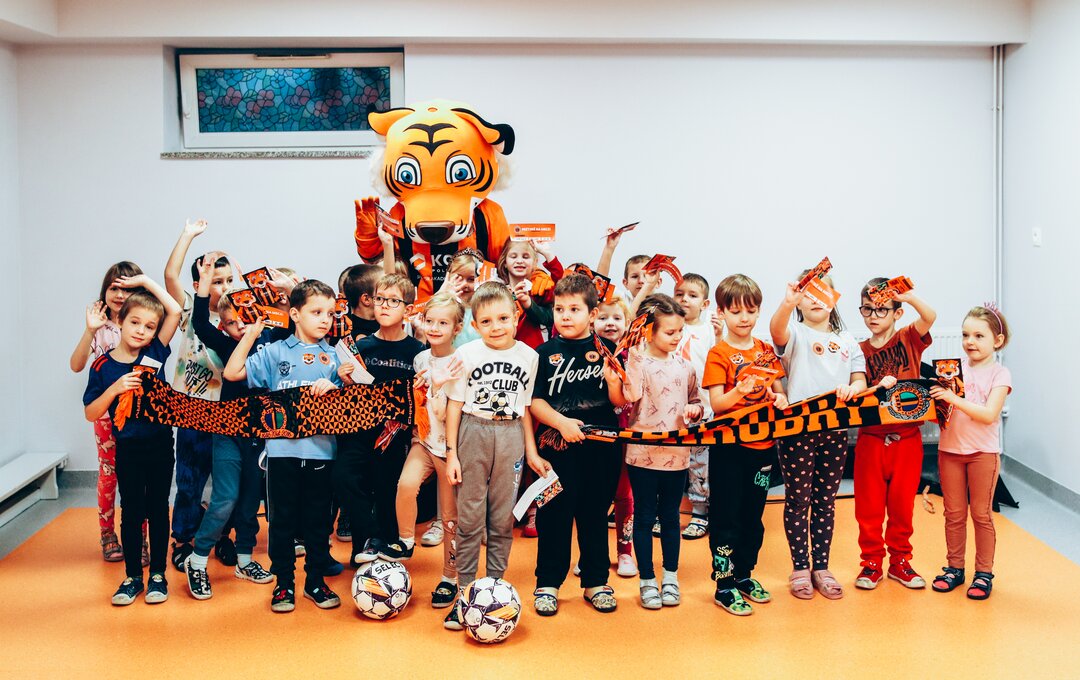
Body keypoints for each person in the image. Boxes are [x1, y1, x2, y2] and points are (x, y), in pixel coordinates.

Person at [223, 280, 343, 613]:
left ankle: (315, 582)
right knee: (282, 522)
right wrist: (252, 333)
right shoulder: (275, 352)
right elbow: (232, 372)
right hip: (281, 453)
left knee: (318, 523)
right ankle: (284, 584)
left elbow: (352, 401)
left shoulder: (336, 357)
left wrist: (336, 387)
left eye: (330, 313)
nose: (325, 319)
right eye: (316, 312)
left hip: (322, 453)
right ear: (295, 314)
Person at [183, 252, 284, 600]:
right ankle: (197, 559)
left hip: (260, 436)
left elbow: (292, 317)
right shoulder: (228, 345)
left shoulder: (270, 343)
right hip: (227, 432)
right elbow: (199, 323)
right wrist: (204, 282)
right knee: (225, 498)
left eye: (244, 319)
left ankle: (244, 560)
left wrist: (280, 289)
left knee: (249, 501)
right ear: (224, 327)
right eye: (231, 323)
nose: (239, 326)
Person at [443, 282, 541, 630]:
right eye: (486, 321)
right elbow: (454, 405)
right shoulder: (466, 353)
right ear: (475, 324)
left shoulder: (529, 356)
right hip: (474, 431)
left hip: (511, 433)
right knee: (470, 519)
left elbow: (525, 409)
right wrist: (452, 455)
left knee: (501, 519)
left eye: (502, 318)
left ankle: (494, 591)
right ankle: (465, 594)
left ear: (516, 316)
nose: (496, 327)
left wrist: (531, 450)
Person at [530, 274, 626, 616]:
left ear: (592, 313)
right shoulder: (544, 353)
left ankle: (596, 581)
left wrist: (614, 384)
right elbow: (535, 401)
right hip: (555, 449)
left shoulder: (609, 350)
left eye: (574, 309)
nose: (565, 316)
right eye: (559, 309)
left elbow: (619, 402)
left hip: (602, 449)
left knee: (594, 514)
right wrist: (561, 423)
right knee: (552, 515)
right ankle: (547, 584)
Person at [83, 276, 182, 605]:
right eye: (135, 322)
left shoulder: (155, 352)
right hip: (127, 447)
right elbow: (91, 412)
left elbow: (174, 310)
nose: (141, 331)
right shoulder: (103, 366)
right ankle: (132, 578)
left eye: (149, 326)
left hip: (160, 444)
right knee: (132, 510)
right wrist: (114, 389)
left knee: (158, 509)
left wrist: (143, 282)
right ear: (120, 322)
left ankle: (158, 575)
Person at [769, 271, 866, 600]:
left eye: (822, 293)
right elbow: (777, 330)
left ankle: (821, 567)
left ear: (834, 299)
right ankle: (800, 567)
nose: (815, 299)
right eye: (808, 294)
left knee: (825, 502)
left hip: (835, 432)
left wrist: (853, 389)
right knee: (798, 501)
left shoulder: (848, 340)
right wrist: (788, 303)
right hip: (797, 432)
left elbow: (860, 381)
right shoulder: (795, 332)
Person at [702, 274, 788, 616]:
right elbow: (718, 404)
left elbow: (780, 393)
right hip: (729, 450)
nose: (744, 318)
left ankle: (743, 575)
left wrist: (778, 398)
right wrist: (740, 389)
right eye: (736, 311)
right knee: (726, 516)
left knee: (753, 517)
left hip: (763, 449)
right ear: (722, 312)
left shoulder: (765, 350)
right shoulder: (719, 353)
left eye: (751, 311)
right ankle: (723, 585)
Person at [382, 292, 465, 610]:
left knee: (450, 518)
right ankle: (405, 540)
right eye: (430, 321)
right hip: (424, 441)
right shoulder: (420, 359)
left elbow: (446, 413)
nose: (434, 328)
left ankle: (450, 577)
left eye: (443, 323)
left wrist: (438, 386)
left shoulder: (460, 362)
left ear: (456, 328)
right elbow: (419, 403)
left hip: (449, 449)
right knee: (405, 484)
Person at [853, 279, 937, 591]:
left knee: (902, 506)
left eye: (882, 310)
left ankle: (900, 561)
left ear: (897, 313)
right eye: (867, 309)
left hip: (907, 438)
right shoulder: (858, 351)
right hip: (871, 439)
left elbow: (930, 316)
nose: (873, 316)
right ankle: (871, 563)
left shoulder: (908, 337)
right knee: (868, 508)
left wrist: (908, 297)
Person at [622, 294, 703, 609]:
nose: (677, 337)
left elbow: (696, 401)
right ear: (649, 331)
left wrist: (694, 410)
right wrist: (633, 356)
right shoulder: (638, 361)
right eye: (670, 332)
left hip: (677, 456)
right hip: (642, 455)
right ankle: (646, 580)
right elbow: (629, 395)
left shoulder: (685, 366)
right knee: (643, 517)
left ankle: (670, 577)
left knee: (670, 517)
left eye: (680, 330)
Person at [337, 274, 424, 564]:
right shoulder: (360, 347)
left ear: (407, 310)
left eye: (393, 301)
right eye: (380, 299)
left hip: (394, 434)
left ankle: (384, 548)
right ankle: (366, 541)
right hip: (358, 430)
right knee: (346, 477)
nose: (384, 305)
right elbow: (351, 394)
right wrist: (346, 381)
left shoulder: (417, 352)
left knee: (387, 489)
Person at [162, 219, 235, 571]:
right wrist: (188, 235)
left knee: (225, 481)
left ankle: (221, 536)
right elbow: (170, 276)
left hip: (227, 409)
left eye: (228, 280)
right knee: (189, 479)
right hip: (192, 407)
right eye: (216, 281)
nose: (224, 287)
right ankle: (183, 539)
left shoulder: (238, 315)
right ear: (199, 284)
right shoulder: (191, 309)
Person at [929, 306, 1012, 601]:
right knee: (953, 514)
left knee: (981, 514)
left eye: (979, 335)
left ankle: (983, 573)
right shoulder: (952, 369)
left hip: (983, 454)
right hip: (949, 451)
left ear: (997, 340)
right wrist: (935, 404)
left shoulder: (1000, 373)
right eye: (965, 335)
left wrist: (952, 397)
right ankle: (954, 569)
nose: (970, 341)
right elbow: (943, 411)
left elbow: (989, 415)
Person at [70, 261, 148, 564]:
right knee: (108, 472)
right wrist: (89, 330)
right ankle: (107, 534)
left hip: (138, 414)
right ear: (105, 290)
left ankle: (139, 537)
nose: (120, 294)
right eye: (114, 288)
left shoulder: (142, 324)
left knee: (138, 475)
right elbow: (76, 365)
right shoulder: (100, 328)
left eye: (127, 289)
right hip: (106, 413)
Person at [673, 273, 723, 539]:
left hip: (702, 408)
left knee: (699, 463)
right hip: (670, 410)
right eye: (679, 294)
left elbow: (719, 360)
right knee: (669, 462)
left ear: (704, 304)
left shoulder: (709, 330)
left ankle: (700, 512)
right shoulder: (667, 327)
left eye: (692, 296)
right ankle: (666, 512)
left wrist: (719, 333)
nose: (684, 299)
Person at [594, 295, 637, 577]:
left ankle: (625, 552)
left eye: (617, 318)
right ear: (592, 320)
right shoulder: (586, 353)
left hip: (625, 433)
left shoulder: (633, 356)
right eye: (603, 317)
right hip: (595, 436)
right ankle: (593, 552)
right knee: (594, 496)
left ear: (627, 323)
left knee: (624, 494)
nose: (610, 323)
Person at [496, 238, 564, 349]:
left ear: (534, 263)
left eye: (525, 257)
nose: (519, 261)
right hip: (503, 352)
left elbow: (562, 287)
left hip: (534, 351)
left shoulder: (539, 289)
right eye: (513, 256)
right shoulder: (496, 293)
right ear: (504, 263)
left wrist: (547, 254)